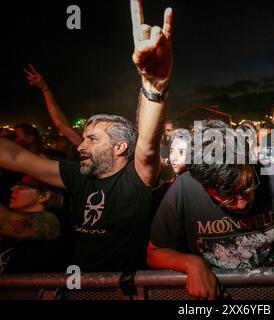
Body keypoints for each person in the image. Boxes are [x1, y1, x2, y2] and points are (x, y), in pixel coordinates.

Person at [0, 1, 173, 271]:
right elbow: (14, 156)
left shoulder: (135, 179)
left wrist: (154, 84)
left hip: (126, 291)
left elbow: (148, 146)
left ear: (121, 147)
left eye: (93, 138)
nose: (81, 144)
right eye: (84, 137)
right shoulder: (78, 177)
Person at [147, 119, 274, 300]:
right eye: (227, 197)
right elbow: (154, 252)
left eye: (248, 187)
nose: (242, 203)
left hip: (271, 289)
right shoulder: (184, 188)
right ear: (203, 185)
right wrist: (190, 264)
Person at [0, 175, 66, 274]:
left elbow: (4, 222)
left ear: (44, 196)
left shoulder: (56, 219)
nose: (12, 188)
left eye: (22, 186)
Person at [23, 64, 82, 147]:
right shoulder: (90, 148)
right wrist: (44, 88)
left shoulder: (96, 151)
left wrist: (45, 89)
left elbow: (61, 124)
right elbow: (61, 124)